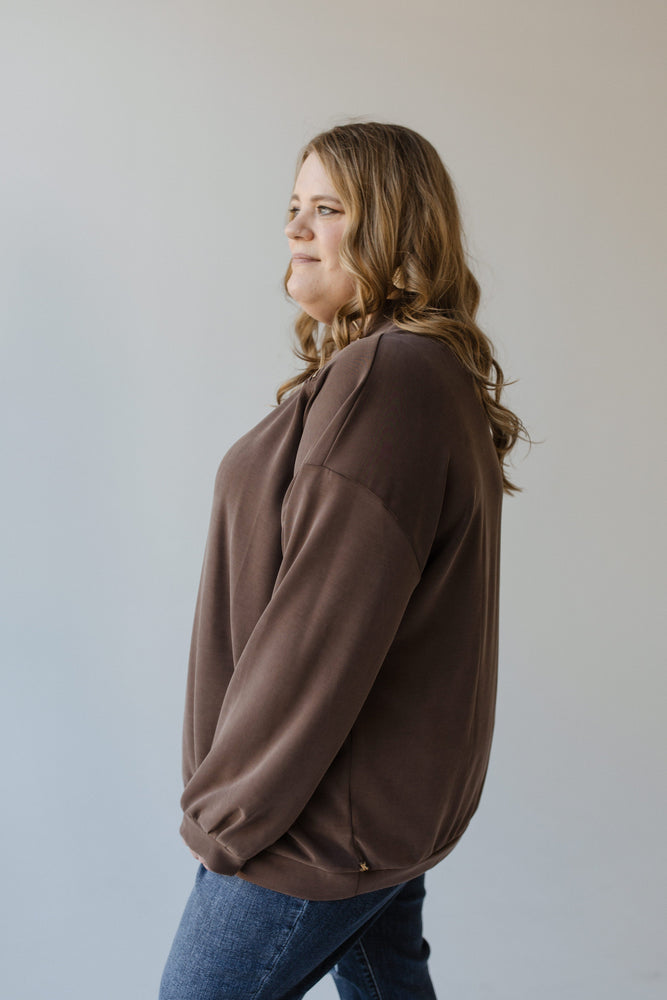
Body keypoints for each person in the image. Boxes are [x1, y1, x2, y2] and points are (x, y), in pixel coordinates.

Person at [159, 121, 527, 999]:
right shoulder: (408, 373)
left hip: (309, 821)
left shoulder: (387, 379)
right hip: (358, 806)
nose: (294, 228)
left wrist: (230, 818)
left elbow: (317, 631)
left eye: (327, 209)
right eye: (293, 206)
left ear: (395, 233)